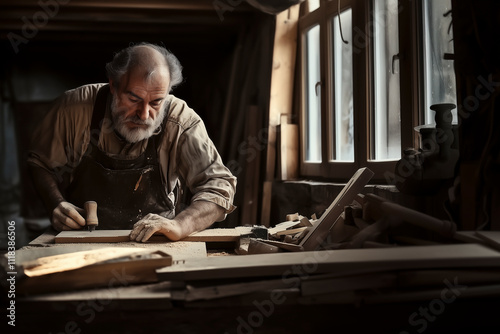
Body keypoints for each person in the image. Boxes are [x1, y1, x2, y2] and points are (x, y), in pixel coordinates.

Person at [27, 43, 237, 242]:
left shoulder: (180, 121)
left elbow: (219, 188)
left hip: (154, 244)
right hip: (80, 240)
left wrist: (180, 226)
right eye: (134, 99)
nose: (144, 115)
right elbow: (39, 163)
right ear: (113, 85)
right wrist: (56, 203)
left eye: (156, 102)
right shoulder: (74, 109)